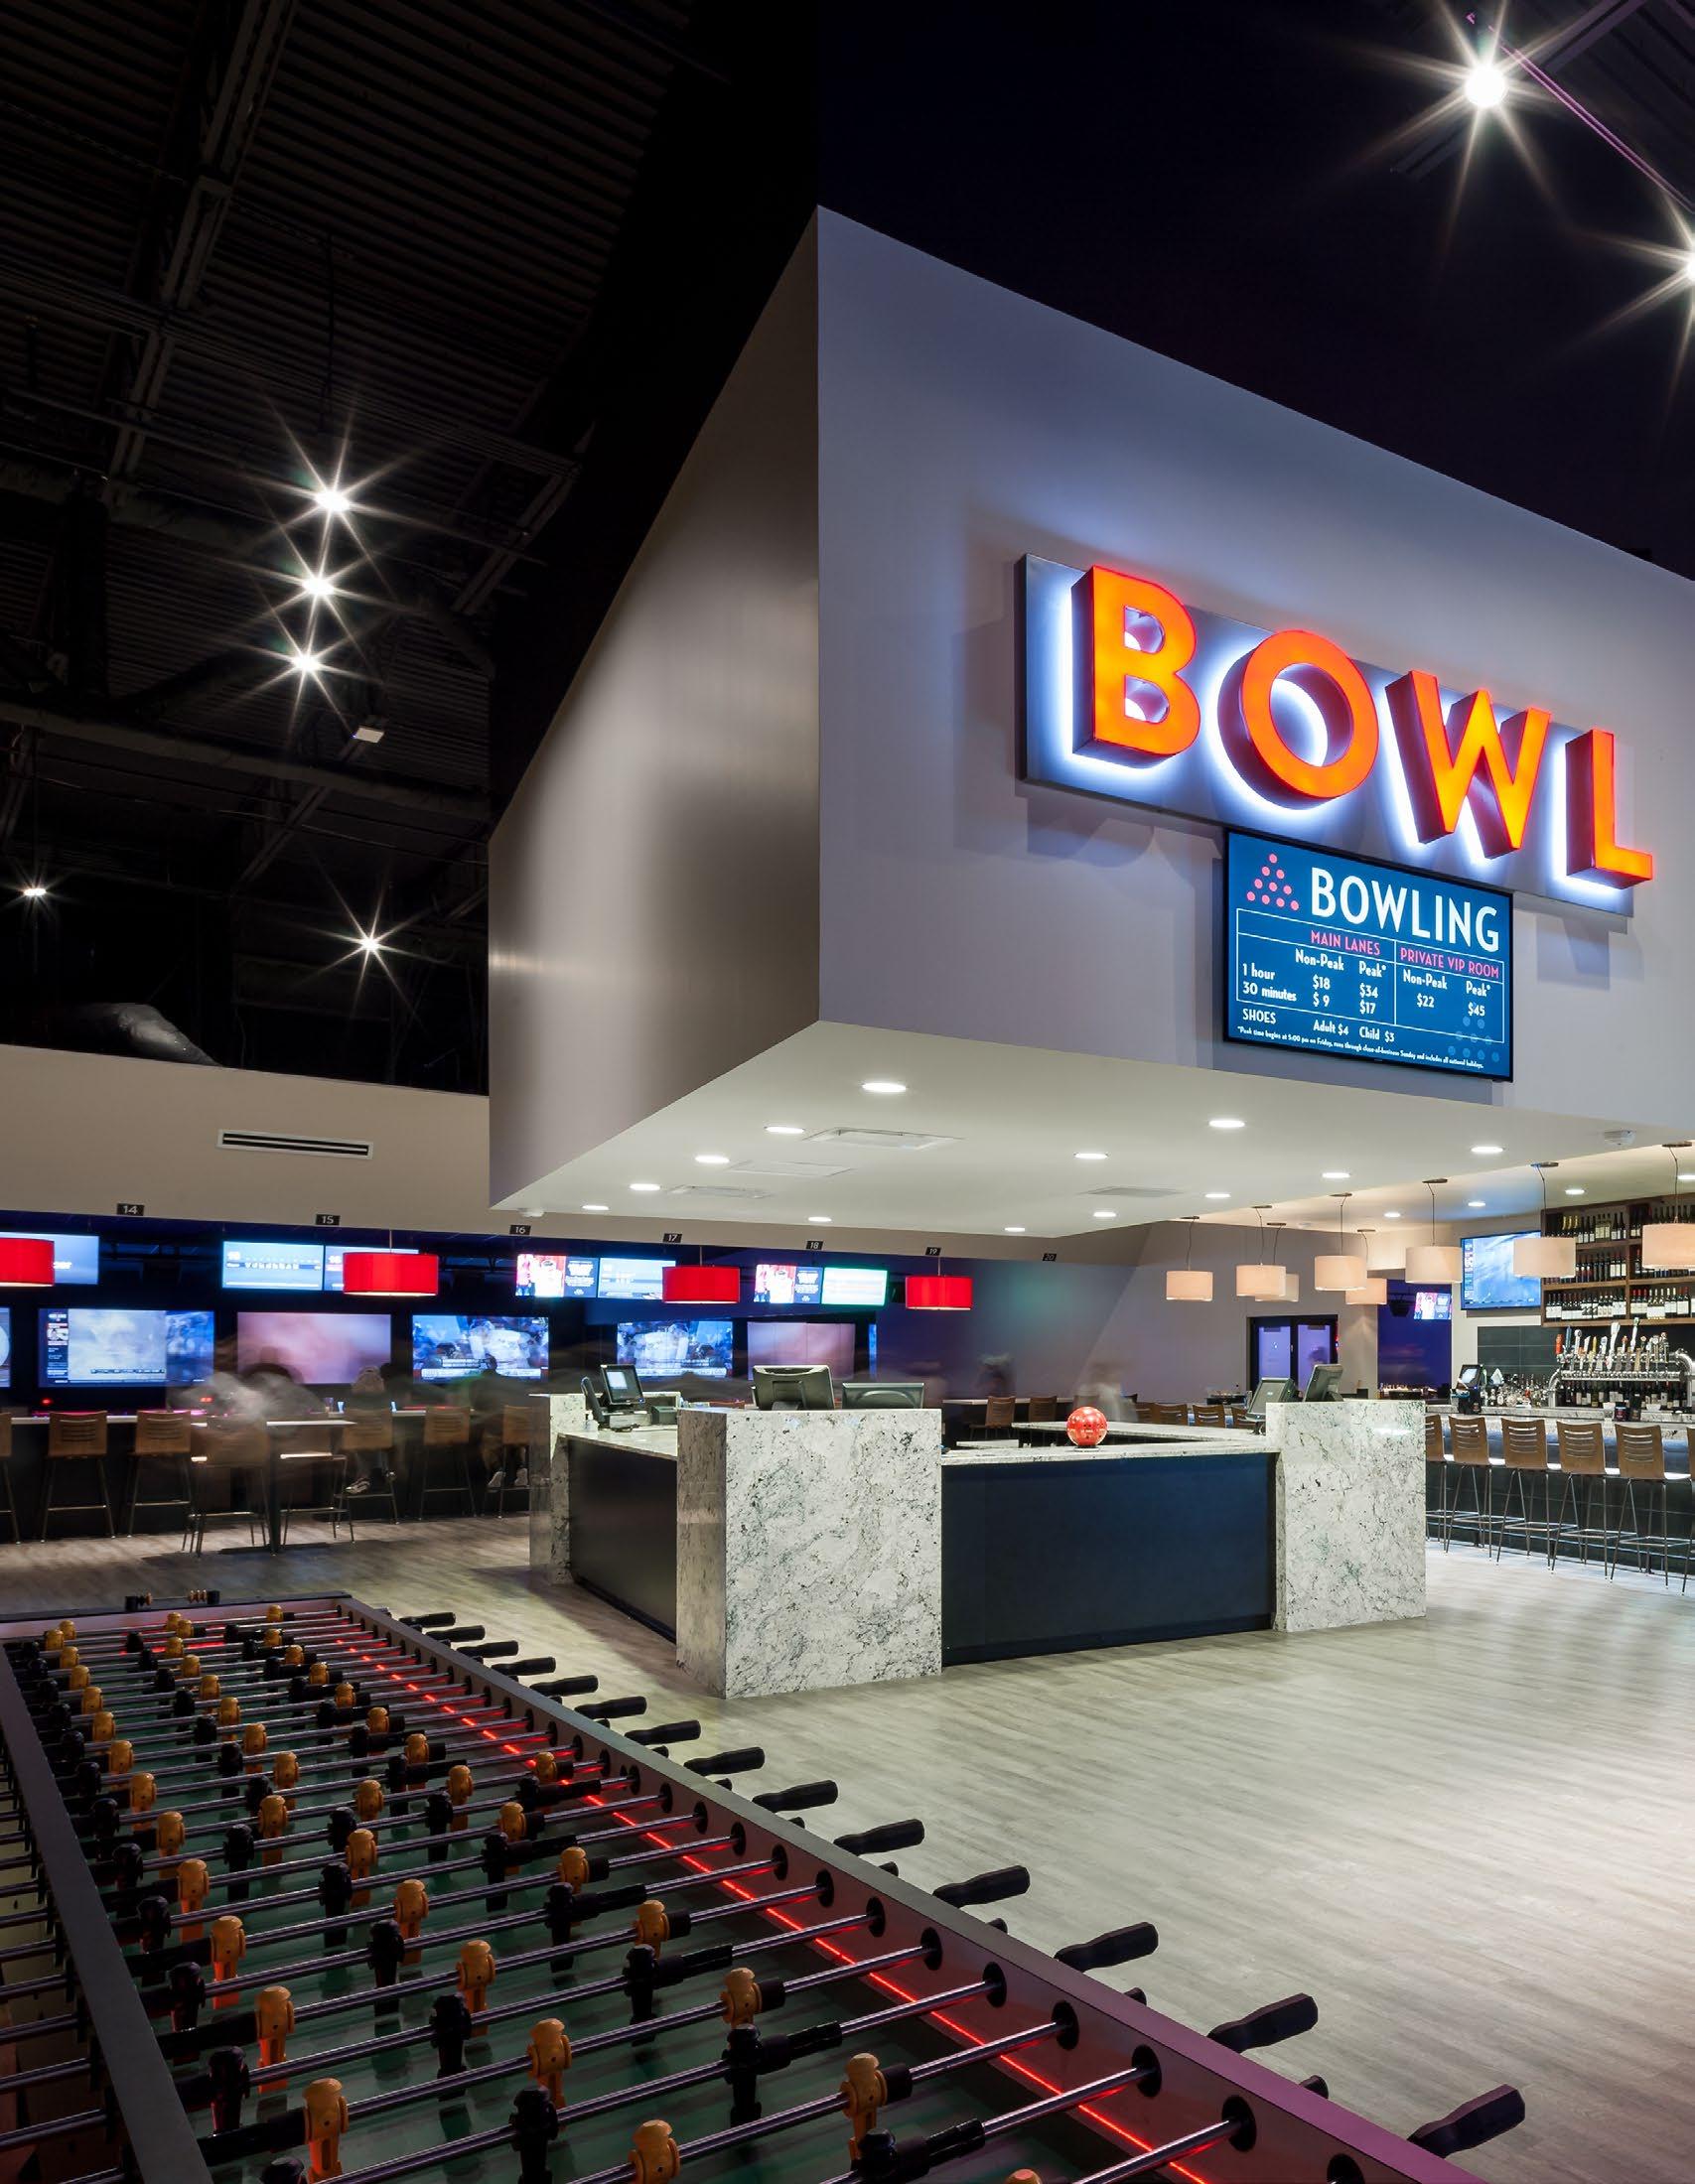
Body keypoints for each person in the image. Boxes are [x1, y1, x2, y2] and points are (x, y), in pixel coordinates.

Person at [342, 1365, 391, 1493]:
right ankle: (383, 1470)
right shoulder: (385, 1398)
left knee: (359, 1440)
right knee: (376, 1441)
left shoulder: (351, 1398)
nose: (369, 1379)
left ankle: (364, 1476)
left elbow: (348, 1414)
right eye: (366, 1376)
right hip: (379, 1442)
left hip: (357, 1442)